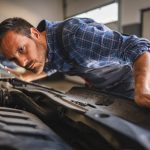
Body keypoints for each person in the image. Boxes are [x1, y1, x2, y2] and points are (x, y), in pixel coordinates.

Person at [0, 17, 150, 108]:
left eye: (21, 49)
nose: (22, 62)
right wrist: (26, 77)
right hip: (103, 90)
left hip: (132, 85)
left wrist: (141, 89)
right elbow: (54, 65)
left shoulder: (76, 36)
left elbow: (138, 46)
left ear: (34, 33)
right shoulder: (47, 48)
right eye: (13, 58)